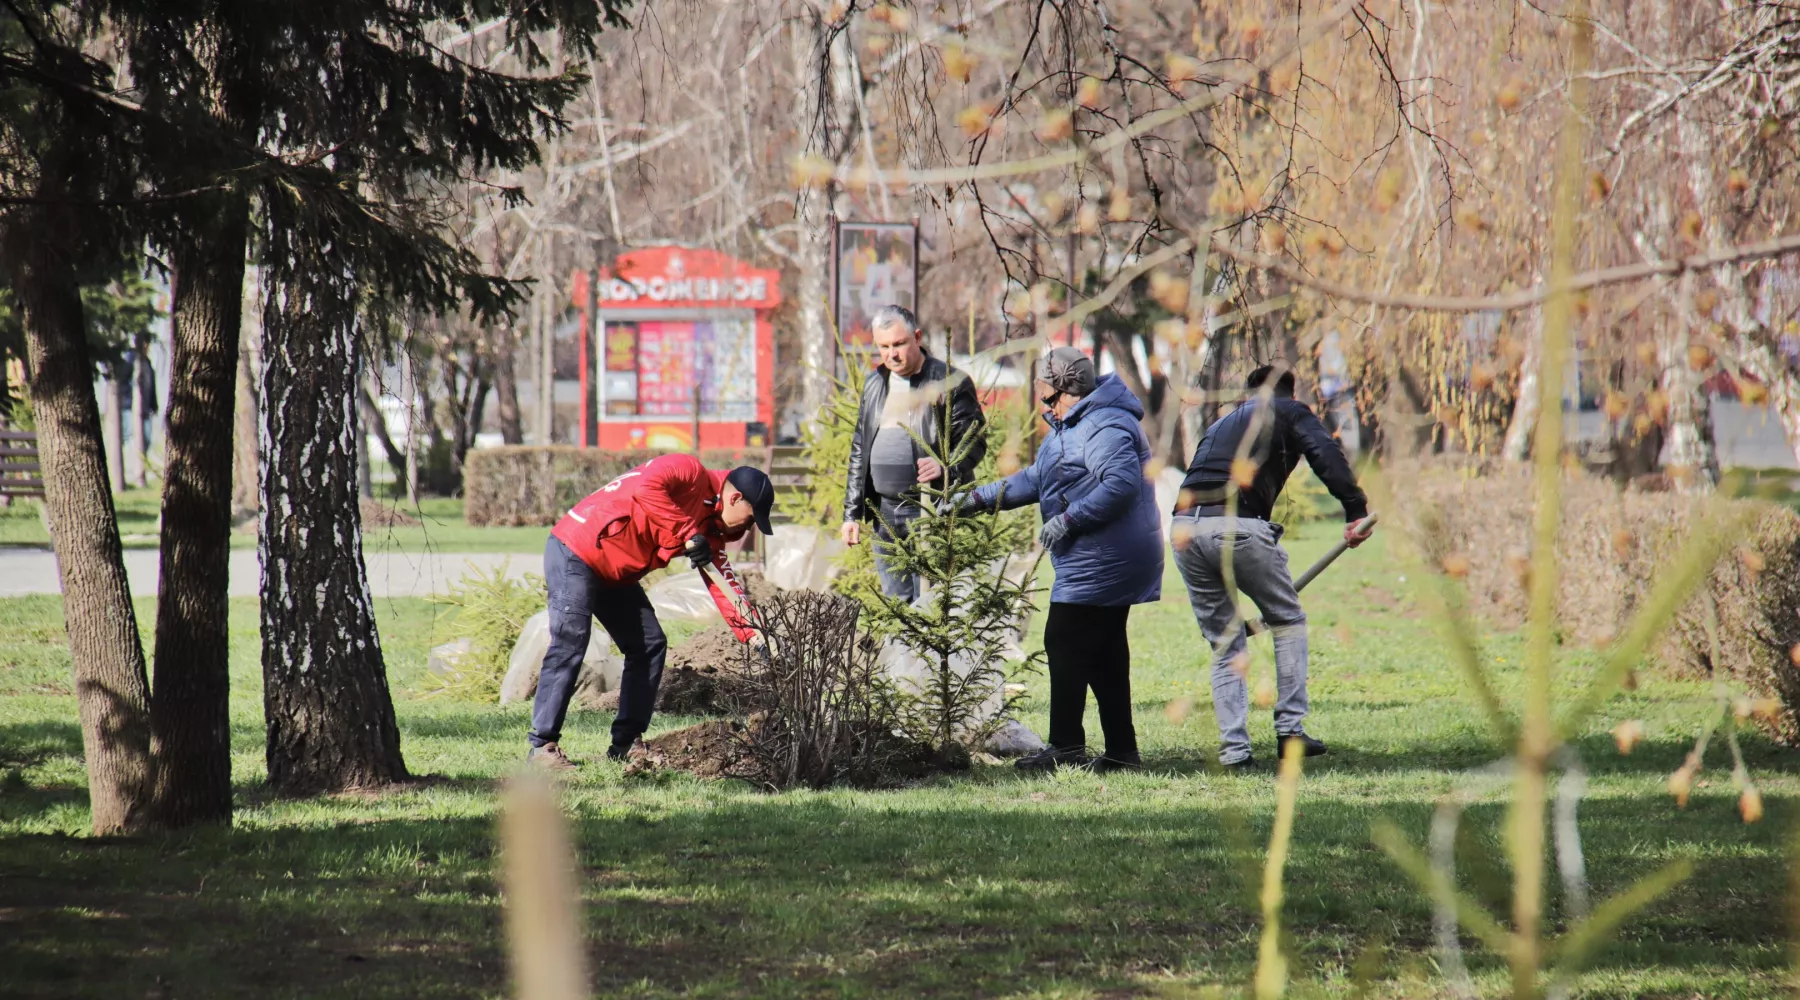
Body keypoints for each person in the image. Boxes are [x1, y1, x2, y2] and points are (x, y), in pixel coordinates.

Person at [963, 347, 1163, 772]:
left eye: (1044, 384)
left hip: (1108, 555)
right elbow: (1036, 479)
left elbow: (1121, 485)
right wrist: (975, 499)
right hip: (1097, 554)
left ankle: (1067, 746)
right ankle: (1122, 753)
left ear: (1061, 388)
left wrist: (1069, 520)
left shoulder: (1104, 423)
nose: (1039, 392)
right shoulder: (1070, 426)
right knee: (1105, 650)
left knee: (1064, 639)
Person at [1171, 365, 1374, 770]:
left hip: (1183, 530)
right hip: (1238, 526)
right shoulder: (1290, 411)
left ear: (1248, 393)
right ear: (1289, 391)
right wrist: (1355, 508)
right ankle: (1291, 733)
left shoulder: (1223, 422)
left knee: (1227, 641)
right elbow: (1325, 454)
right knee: (1288, 619)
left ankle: (1233, 752)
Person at [528, 453, 775, 770]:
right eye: (751, 518)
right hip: (577, 549)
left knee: (648, 644)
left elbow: (723, 581)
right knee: (571, 639)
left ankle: (626, 745)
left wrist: (753, 635)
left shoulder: (711, 528)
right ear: (735, 497)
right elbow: (646, 488)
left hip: (615, 572)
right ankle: (541, 748)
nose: (749, 527)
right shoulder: (688, 470)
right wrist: (687, 533)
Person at [841, 304, 986, 601]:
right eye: (883, 347)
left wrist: (946, 467)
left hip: (932, 509)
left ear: (916, 337)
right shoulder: (874, 384)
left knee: (934, 604)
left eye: (898, 344)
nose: (891, 354)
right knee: (899, 606)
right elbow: (860, 448)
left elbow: (974, 440)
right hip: (884, 513)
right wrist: (852, 513)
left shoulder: (949, 382)